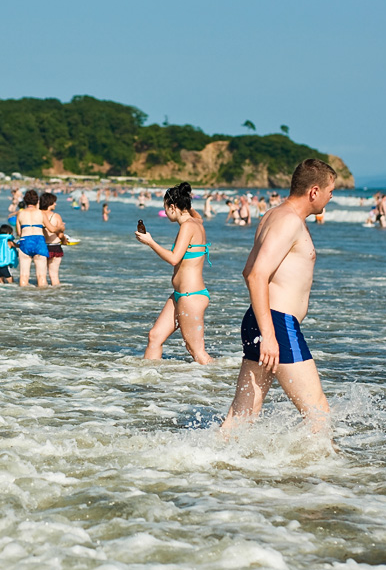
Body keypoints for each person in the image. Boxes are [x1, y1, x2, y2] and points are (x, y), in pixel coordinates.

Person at [220, 158, 337, 435]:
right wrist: (270, 335)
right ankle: (331, 476)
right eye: (330, 191)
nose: (331, 197)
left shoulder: (273, 215)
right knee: (318, 414)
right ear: (314, 191)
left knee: (241, 418)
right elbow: (256, 275)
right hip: (277, 324)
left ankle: (212, 466)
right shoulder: (288, 222)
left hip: (262, 319)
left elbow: (247, 269)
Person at [135, 182, 213, 365]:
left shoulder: (188, 226)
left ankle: (224, 384)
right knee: (155, 336)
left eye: (165, 207)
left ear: (172, 207)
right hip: (180, 295)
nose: (165, 212)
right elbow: (194, 213)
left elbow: (173, 259)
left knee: (197, 353)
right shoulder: (197, 221)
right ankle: (148, 383)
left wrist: (150, 242)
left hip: (190, 295)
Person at [15, 189, 49, 287]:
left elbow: (19, 232)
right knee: (41, 276)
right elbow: (51, 228)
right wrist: (60, 227)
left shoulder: (20, 214)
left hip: (25, 241)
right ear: (37, 201)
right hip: (39, 241)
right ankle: (42, 299)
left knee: (24, 276)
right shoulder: (41, 213)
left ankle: (24, 299)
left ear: (25, 201)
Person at [41, 192, 66, 286]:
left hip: (41, 246)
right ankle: (55, 296)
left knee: (41, 275)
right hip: (54, 247)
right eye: (54, 202)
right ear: (49, 202)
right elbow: (60, 235)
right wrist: (64, 238)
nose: (55, 204)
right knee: (54, 276)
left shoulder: (37, 214)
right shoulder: (55, 216)